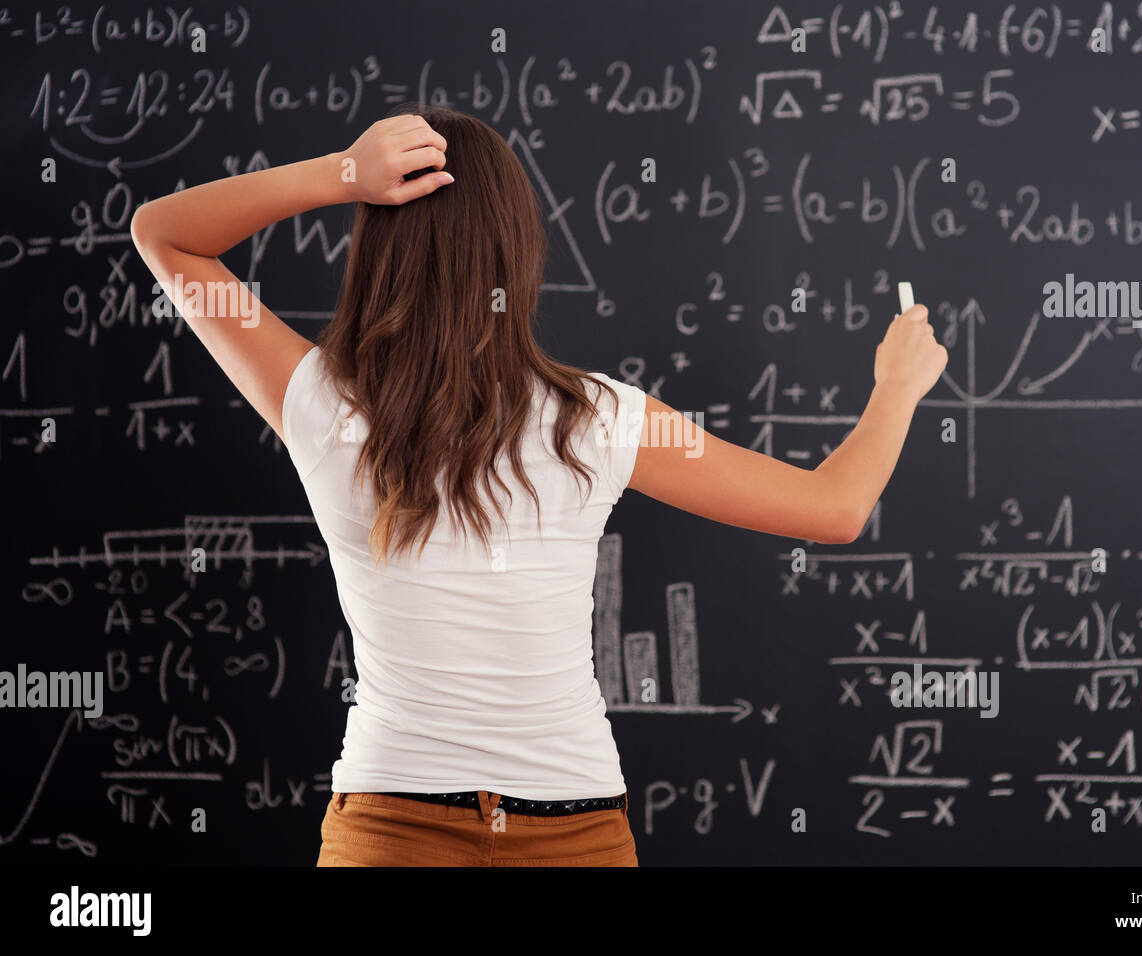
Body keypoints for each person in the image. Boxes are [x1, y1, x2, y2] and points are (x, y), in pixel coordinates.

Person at [130, 104, 947, 866]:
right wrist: (896, 389)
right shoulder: (600, 418)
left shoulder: (320, 402)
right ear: (519, 251)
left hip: (387, 827)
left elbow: (164, 235)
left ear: (377, 249)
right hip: (573, 832)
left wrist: (343, 173)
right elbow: (835, 509)